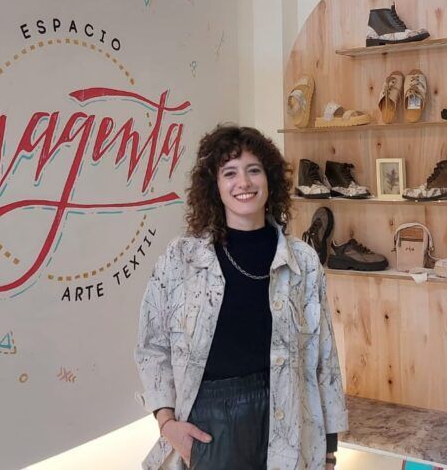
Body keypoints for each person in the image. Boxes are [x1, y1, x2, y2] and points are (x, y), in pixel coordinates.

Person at [135, 124, 348, 470]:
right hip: (210, 428)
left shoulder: (303, 261)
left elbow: (324, 360)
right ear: (215, 186)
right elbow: (152, 345)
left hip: (291, 422)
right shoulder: (181, 258)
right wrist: (166, 422)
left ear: (270, 179)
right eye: (230, 173)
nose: (244, 183)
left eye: (253, 170)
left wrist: (328, 451)